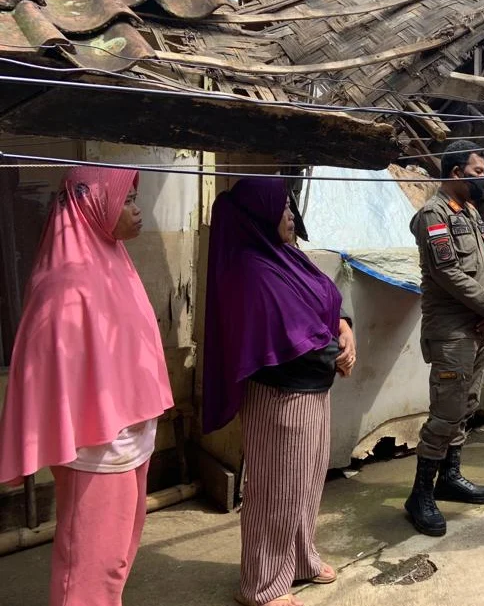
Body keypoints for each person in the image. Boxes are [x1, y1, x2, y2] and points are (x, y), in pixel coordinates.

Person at [0, 167, 174, 606]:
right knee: (87, 569)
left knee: (113, 561)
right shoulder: (65, 284)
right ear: (94, 204)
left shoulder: (112, 259)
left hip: (128, 437)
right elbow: (51, 369)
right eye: (128, 200)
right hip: (95, 449)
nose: (137, 211)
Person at [202, 177, 356, 606]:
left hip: (313, 390)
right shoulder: (251, 269)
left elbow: (328, 298)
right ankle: (262, 585)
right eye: (284, 207)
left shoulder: (286, 256)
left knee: (306, 484)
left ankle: (301, 559)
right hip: (281, 396)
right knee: (277, 491)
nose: (291, 215)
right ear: (260, 216)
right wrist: (337, 355)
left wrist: (346, 330)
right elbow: (288, 338)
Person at [406, 140, 484, 536]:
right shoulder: (433, 215)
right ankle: (420, 495)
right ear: (455, 174)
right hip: (450, 331)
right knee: (445, 412)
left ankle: (449, 477)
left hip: (476, 326)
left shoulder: (470, 212)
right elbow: (448, 273)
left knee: (465, 405)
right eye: (478, 172)